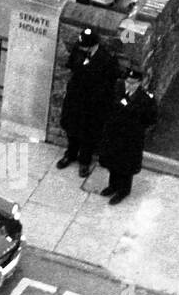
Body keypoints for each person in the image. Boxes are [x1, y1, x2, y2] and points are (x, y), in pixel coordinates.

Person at [57, 28, 120, 177]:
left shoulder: (106, 59)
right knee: (72, 128)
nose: (81, 47)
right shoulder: (78, 50)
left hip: (93, 102)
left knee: (88, 133)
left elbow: (109, 83)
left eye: (85, 45)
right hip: (76, 97)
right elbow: (72, 65)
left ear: (93, 45)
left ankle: (84, 161)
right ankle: (70, 154)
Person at [99, 68, 158, 204]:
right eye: (128, 82)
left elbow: (151, 119)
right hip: (115, 133)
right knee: (113, 161)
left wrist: (137, 128)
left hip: (130, 137)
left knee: (126, 165)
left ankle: (123, 190)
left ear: (139, 83)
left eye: (133, 83)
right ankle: (112, 185)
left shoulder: (146, 98)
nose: (129, 85)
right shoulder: (118, 88)